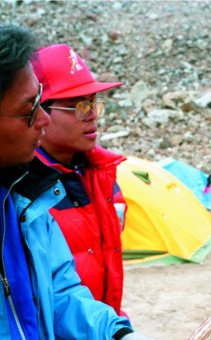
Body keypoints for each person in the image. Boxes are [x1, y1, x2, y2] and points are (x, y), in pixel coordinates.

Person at [0, 18, 138, 339]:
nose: (42, 119)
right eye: (31, 107)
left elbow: (59, 296)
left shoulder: (28, 200)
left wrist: (116, 334)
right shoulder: (38, 195)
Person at [29, 44, 128, 316]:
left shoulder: (102, 173)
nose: (93, 115)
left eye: (94, 103)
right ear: (40, 112)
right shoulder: (21, 188)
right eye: (78, 107)